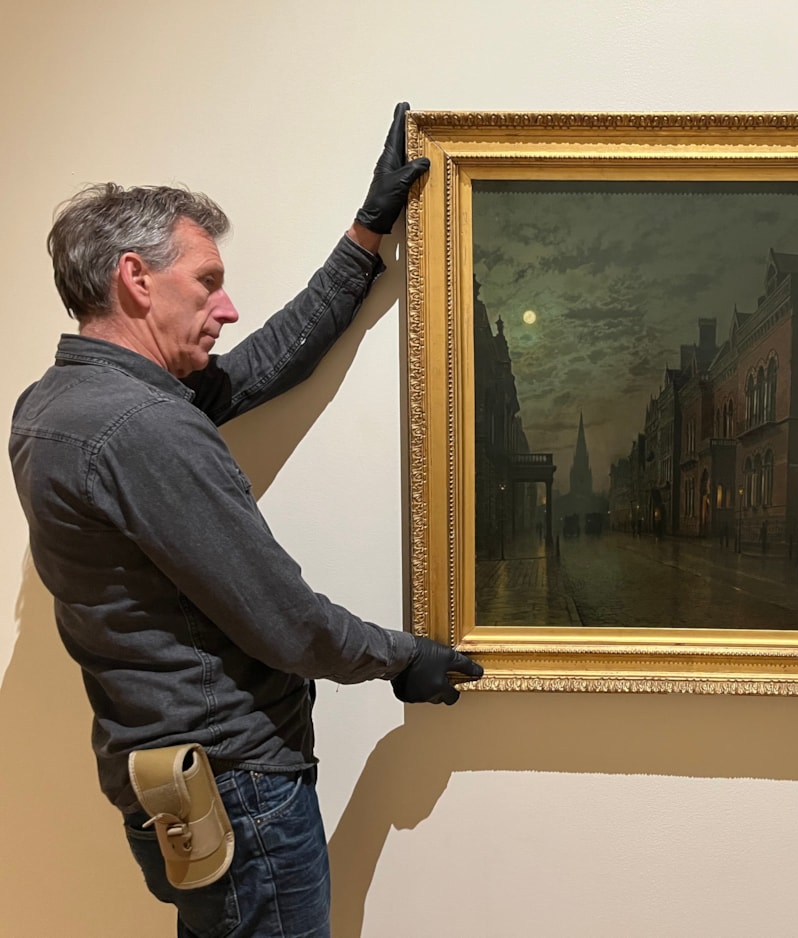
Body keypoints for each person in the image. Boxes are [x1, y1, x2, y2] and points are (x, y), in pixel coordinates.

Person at [9, 103, 483, 937]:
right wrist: (405, 656)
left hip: (182, 787)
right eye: (208, 282)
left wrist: (365, 236)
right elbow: (286, 621)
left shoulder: (56, 406)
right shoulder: (142, 428)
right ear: (136, 278)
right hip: (237, 793)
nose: (226, 308)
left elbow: (259, 366)